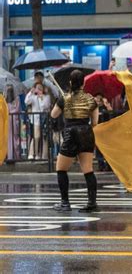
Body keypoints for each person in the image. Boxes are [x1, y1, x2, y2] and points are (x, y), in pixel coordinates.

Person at [50, 70, 100, 212]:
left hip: (71, 133)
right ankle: (92, 203)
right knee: (88, 170)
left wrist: (60, 101)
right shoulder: (91, 99)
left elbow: (53, 114)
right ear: (83, 83)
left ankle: (65, 203)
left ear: (71, 83)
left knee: (61, 168)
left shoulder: (64, 98)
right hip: (86, 133)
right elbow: (95, 121)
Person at [25, 82, 51, 160]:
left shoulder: (47, 97)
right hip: (36, 120)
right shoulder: (33, 97)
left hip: (44, 119)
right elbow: (26, 101)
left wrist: (42, 97)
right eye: (37, 88)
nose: (39, 89)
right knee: (36, 136)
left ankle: (44, 155)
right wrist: (30, 92)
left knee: (44, 137)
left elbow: (46, 106)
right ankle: (34, 154)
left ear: (43, 89)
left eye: (40, 88)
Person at [95, 93, 113, 170]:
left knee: (107, 148)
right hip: (98, 131)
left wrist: (106, 104)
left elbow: (111, 113)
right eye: (97, 99)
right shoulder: (94, 108)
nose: (99, 101)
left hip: (106, 131)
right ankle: (101, 165)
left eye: (100, 99)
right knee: (98, 149)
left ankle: (109, 165)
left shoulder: (105, 107)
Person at [4, 84, 21, 161]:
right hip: (7, 120)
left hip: (14, 120)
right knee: (7, 138)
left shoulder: (16, 99)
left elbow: (17, 109)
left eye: (10, 89)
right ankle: (8, 156)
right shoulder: (4, 99)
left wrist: (8, 112)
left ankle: (15, 156)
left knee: (15, 138)